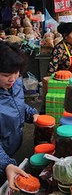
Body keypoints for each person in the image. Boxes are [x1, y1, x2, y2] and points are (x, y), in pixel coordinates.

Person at [0, 41, 39, 191]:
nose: (12, 79)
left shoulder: (14, 83)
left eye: (16, 73)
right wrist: (6, 164)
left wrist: (31, 114)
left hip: (10, 147)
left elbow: (17, 105)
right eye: (5, 75)